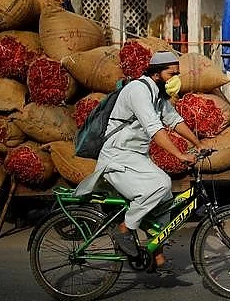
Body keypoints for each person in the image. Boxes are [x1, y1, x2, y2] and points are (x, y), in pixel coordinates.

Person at [75, 51, 205, 275]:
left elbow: (173, 120)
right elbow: (155, 129)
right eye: (171, 74)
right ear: (156, 73)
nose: (175, 79)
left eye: (177, 74)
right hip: (117, 156)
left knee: (165, 201)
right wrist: (181, 155)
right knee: (161, 184)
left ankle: (158, 256)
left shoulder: (157, 94)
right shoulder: (138, 90)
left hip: (135, 158)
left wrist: (198, 143)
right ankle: (124, 229)